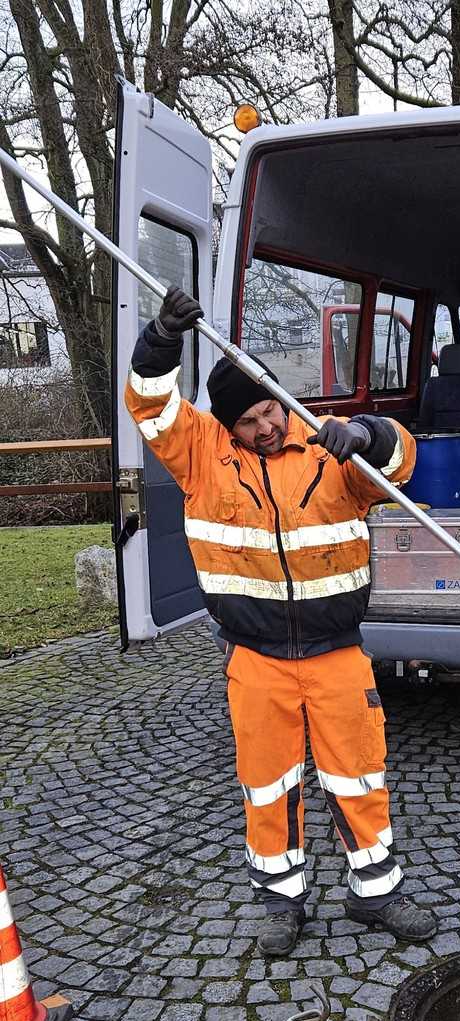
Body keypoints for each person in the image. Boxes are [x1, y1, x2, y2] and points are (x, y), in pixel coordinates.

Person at [125, 286, 437, 955]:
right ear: (227, 425)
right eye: (247, 422)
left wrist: (367, 434)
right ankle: (280, 901)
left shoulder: (329, 445)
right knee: (267, 783)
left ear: (278, 400)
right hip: (255, 657)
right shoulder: (202, 456)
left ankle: (375, 891)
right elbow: (148, 406)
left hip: (335, 652)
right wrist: (159, 338)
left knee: (358, 774)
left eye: (267, 411)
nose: (263, 427)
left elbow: (403, 463)